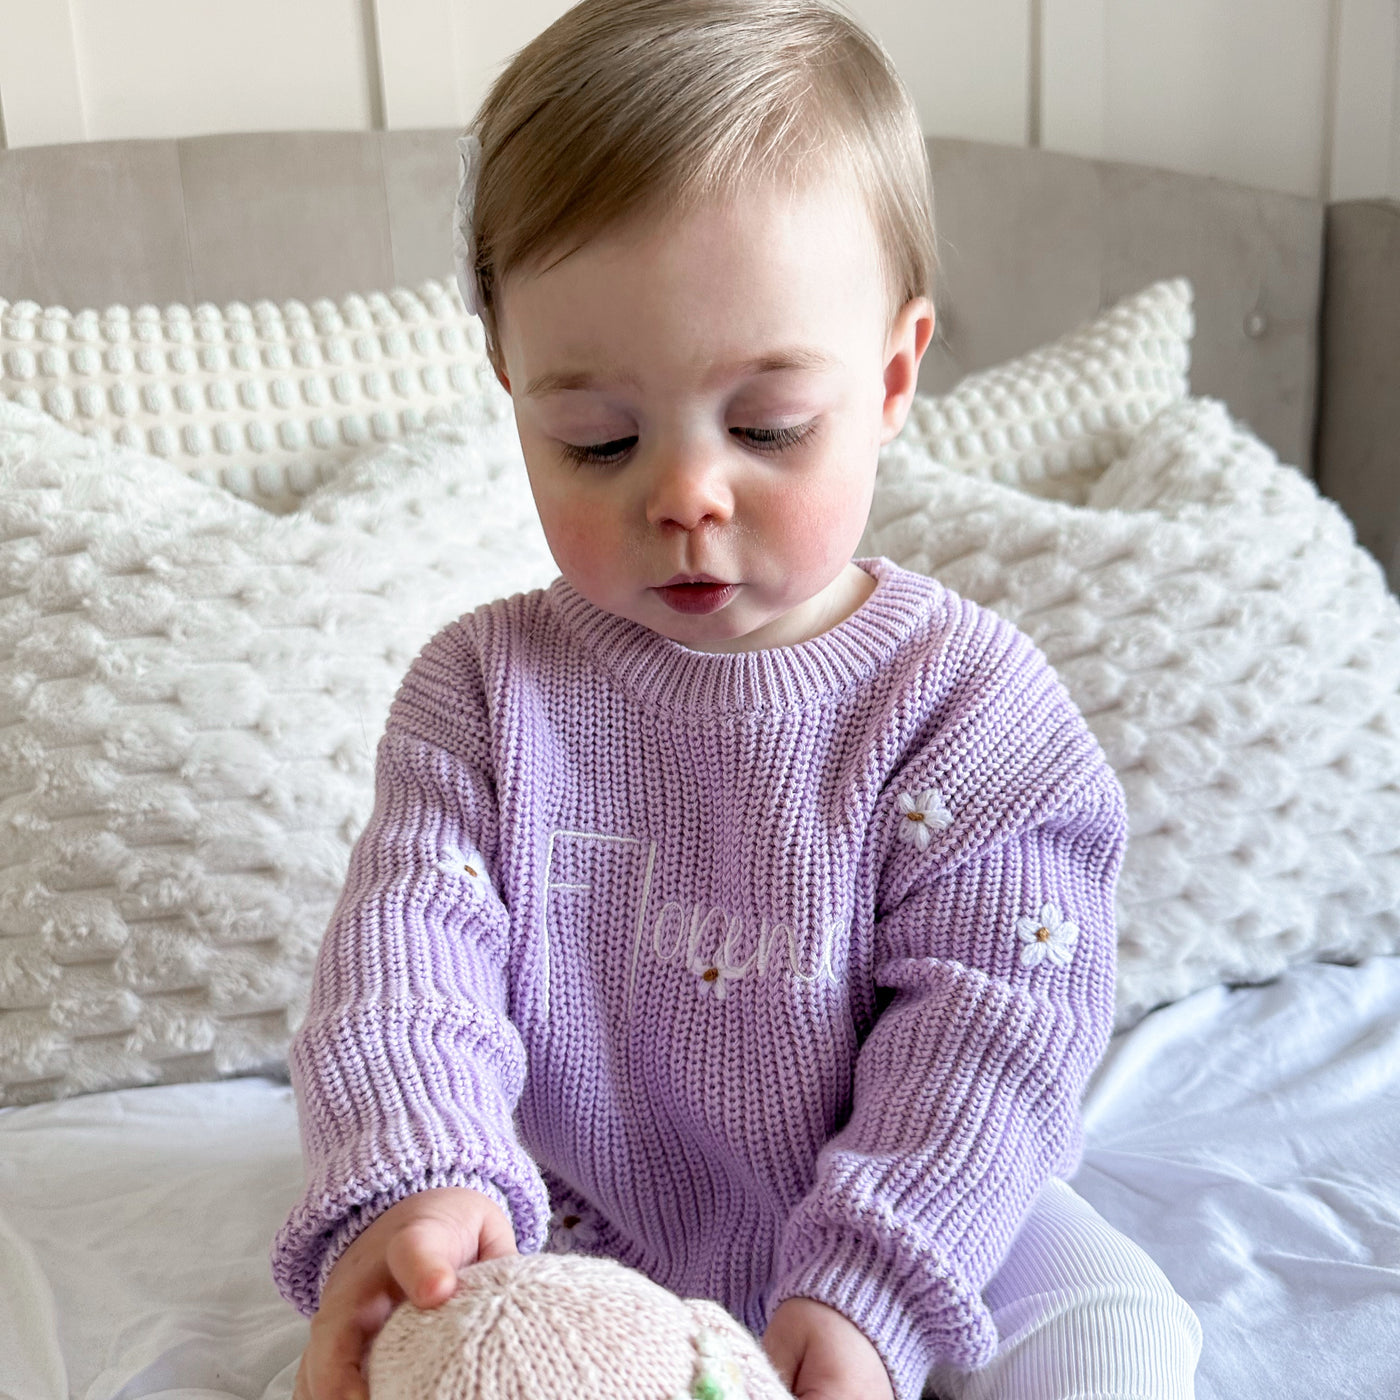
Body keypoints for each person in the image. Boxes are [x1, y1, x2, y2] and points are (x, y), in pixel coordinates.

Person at [270, 2, 1203, 1398]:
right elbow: (408, 968)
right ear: (513, 390)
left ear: (891, 377)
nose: (686, 496)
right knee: (379, 1349)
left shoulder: (966, 707)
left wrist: (872, 1288)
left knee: (1120, 1333)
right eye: (598, 439)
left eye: (768, 427)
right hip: (568, 1221)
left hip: (903, 1213)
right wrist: (425, 1180)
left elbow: (995, 1025)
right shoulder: (482, 694)